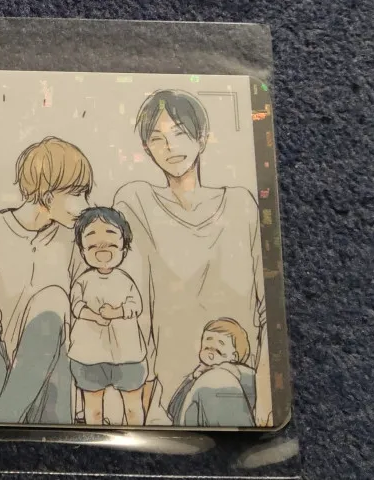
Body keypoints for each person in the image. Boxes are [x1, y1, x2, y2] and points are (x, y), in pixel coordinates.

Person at [113, 90, 271, 426]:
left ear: (202, 137)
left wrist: (266, 395)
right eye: (157, 139)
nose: (170, 147)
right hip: (178, 386)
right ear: (146, 149)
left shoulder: (240, 204)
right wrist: (140, 399)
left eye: (180, 133)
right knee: (214, 389)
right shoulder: (136, 202)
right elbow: (134, 307)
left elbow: (267, 307)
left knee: (222, 387)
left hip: (245, 378)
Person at [0, 137, 93, 424]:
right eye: (77, 193)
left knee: (53, 299)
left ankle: (6, 417)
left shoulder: (75, 241)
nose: (85, 205)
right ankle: (6, 413)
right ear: (48, 194)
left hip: (45, 400)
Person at [67, 206, 147, 426]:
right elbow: (76, 306)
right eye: (93, 245)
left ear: (124, 249)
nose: (102, 249)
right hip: (88, 357)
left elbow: (135, 306)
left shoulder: (125, 281)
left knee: (132, 408)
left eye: (111, 243)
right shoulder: (82, 281)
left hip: (128, 356)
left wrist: (116, 312)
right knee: (93, 411)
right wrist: (94, 316)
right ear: (82, 251)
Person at [166, 318, 257, 427]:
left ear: (234, 356)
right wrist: (192, 378)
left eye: (221, 342)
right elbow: (173, 410)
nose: (212, 344)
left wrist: (235, 371)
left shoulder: (234, 373)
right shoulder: (197, 374)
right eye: (208, 339)